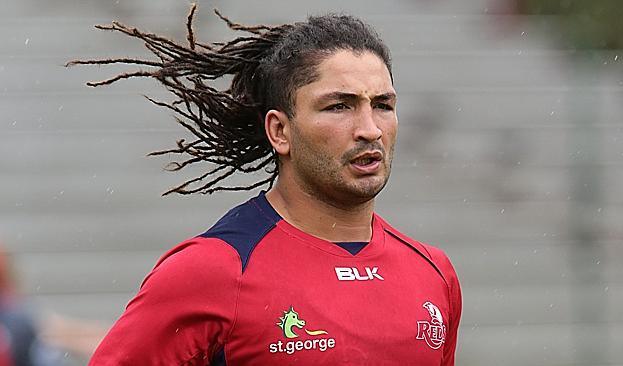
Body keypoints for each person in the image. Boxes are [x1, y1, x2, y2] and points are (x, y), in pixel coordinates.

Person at [69, 6, 461, 365]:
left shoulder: (433, 273)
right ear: (280, 130)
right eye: (339, 106)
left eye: (383, 105)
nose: (370, 129)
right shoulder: (212, 269)